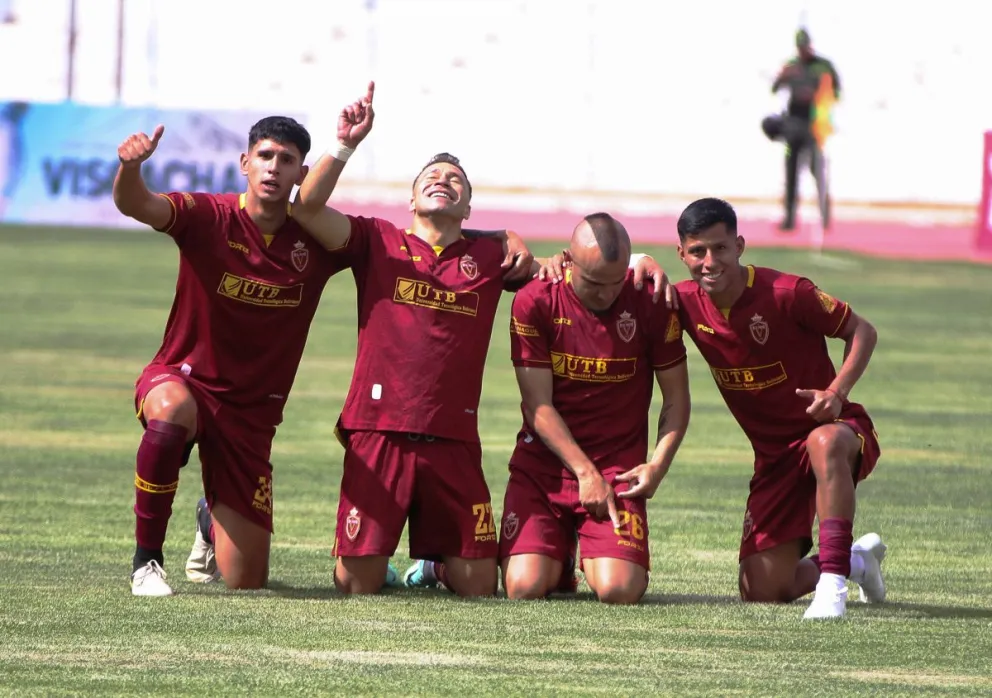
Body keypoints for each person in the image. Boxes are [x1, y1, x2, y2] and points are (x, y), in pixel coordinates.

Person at [288, 127, 668, 596]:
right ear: (410, 199)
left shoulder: (491, 257)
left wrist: (641, 259)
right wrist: (345, 144)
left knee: (480, 586)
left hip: (454, 439)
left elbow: (576, 268)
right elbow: (304, 208)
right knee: (357, 585)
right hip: (378, 430)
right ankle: (373, 563)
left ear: (467, 208)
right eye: (432, 175)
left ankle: (435, 569)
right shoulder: (376, 239)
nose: (443, 180)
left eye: (456, 180)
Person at [114, 84, 376, 596]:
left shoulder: (318, 242)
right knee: (171, 415)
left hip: (251, 417)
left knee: (247, 582)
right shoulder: (207, 216)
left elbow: (394, 247)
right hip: (180, 381)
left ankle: (209, 522)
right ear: (244, 162)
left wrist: (343, 145)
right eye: (265, 156)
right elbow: (136, 204)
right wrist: (130, 167)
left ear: (303, 171)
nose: (274, 167)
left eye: (287, 159)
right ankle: (146, 562)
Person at [672, 197, 885, 619]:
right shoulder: (680, 302)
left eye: (720, 248)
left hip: (835, 427)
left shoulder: (789, 292)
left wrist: (837, 393)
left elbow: (863, 330)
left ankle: (832, 588)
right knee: (762, 589)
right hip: (774, 460)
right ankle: (856, 562)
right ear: (682, 254)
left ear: (740, 245)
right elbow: (626, 285)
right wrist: (640, 259)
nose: (709, 261)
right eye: (697, 251)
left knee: (822, 441)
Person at [498, 213, 691, 604]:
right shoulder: (535, 299)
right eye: (593, 283)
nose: (606, 294)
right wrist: (585, 473)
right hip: (545, 467)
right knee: (523, 588)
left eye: (614, 282)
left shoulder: (650, 299)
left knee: (619, 590)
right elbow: (538, 405)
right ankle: (561, 551)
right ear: (568, 261)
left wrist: (658, 465)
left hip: (617, 470)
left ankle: (584, 547)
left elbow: (676, 398)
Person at [765, 28, 840, 231]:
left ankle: (824, 219)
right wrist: (782, 77)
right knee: (791, 173)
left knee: (818, 171)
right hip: (793, 126)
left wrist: (819, 100)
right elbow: (775, 88)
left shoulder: (822, 66)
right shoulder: (792, 66)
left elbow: (836, 91)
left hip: (813, 126)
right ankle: (789, 219)